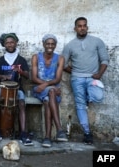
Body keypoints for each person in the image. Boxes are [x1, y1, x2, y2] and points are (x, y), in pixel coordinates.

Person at [62, 17, 109, 145]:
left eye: (84, 26)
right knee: (80, 105)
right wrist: (76, 72)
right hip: (77, 79)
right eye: (79, 26)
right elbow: (63, 64)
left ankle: (89, 97)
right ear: (75, 28)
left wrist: (99, 74)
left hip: (93, 78)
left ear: (87, 27)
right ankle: (87, 133)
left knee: (98, 97)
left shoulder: (97, 41)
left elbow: (104, 60)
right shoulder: (70, 45)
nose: (82, 28)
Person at [0, 33, 33, 146]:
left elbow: (27, 76)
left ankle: (23, 134)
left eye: (12, 42)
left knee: (22, 103)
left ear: (15, 43)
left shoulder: (21, 60)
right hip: (2, 88)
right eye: (7, 43)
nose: (10, 44)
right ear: (4, 44)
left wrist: (20, 71)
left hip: (17, 88)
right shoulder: (1, 60)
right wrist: (2, 77)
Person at [31, 34, 68, 148]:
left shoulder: (60, 58)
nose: (50, 46)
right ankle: (59, 130)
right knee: (51, 91)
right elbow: (34, 78)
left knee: (48, 99)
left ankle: (47, 138)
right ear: (43, 44)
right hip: (39, 89)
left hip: (50, 89)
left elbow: (57, 78)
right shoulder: (36, 57)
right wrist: (45, 86)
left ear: (55, 45)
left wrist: (46, 85)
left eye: (52, 44)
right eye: (48, 43)